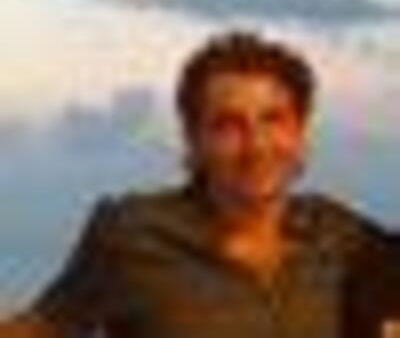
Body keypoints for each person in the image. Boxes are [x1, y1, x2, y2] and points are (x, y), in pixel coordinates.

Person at [19, 32, 398, 337]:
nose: (256, 146)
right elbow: (39, 328)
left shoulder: (338, 235)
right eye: (228, 126)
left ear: (300, 134)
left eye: (273, 120)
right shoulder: (132, 234)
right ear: (194, 141)